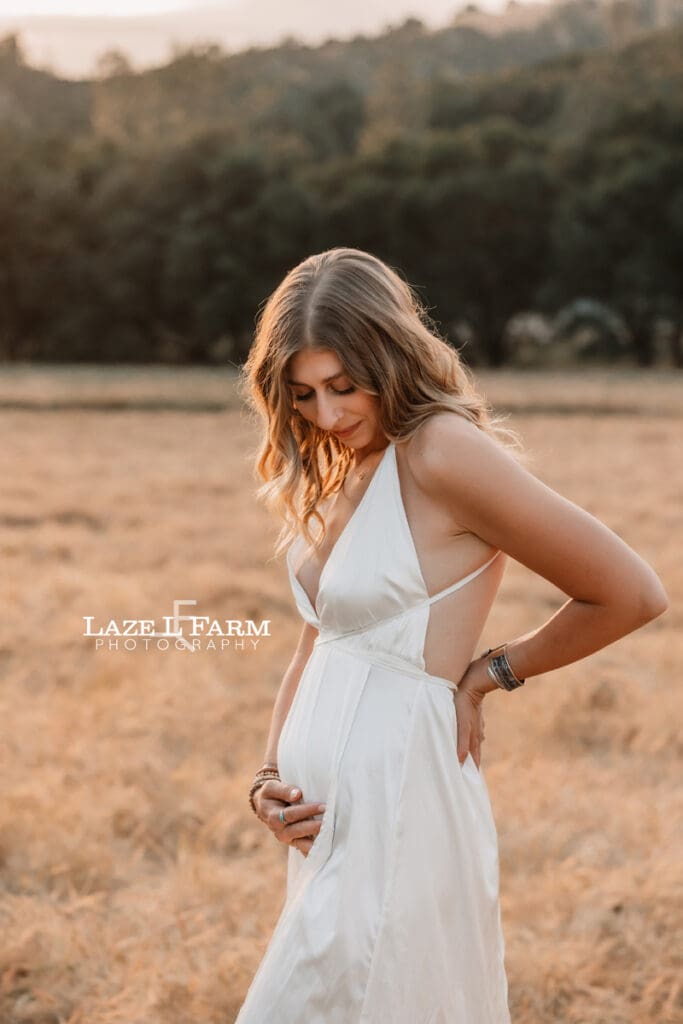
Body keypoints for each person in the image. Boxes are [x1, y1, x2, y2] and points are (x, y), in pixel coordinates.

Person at [235, 247, 668, 1023]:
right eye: (301, 395)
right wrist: (266, 779)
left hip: (401, 790)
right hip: (325, 821)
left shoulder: (440, 451)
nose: (326, 415)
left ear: (389, 355)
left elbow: (628, 592)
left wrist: (492, 670)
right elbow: (317, 641)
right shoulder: (343, 466)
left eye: (343, 386)